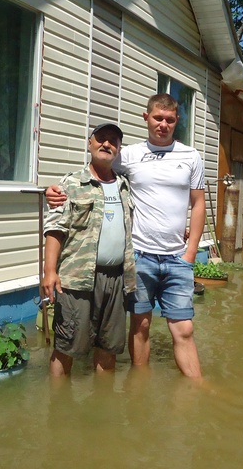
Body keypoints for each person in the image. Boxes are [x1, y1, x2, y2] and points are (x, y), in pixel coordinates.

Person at [46, 94, 205, 378]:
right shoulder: (127, 155)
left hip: (175, 257)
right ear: (146, 118)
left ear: (177, 121)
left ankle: (197, 388)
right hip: (139, 257)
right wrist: (54, 190)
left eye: (170, 120)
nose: (163, 124)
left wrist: (190, 252)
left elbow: (199, 203)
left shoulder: (191, 156)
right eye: (158, 118)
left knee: (184, 328)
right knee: (140, 325)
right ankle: (139, 384)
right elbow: (91, 175)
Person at [41, 123, 137, 376]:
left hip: (117, 279)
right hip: (77, 280)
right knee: (66, 347)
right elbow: (55, 228)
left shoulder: (125, 186)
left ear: (118, 149)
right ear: (90, 143)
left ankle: (103, 410)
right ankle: (58, 410)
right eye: (101, 139)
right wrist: (49, 271)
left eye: (113, 141)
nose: (107, 144)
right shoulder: (71, 183)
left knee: (109, 347)